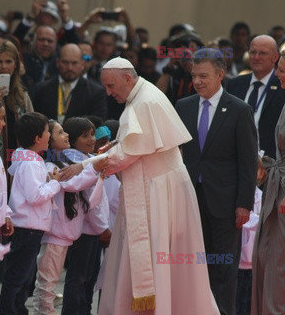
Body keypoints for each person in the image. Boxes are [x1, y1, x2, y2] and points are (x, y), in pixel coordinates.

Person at [92, 57, 219, 314]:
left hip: (160, 191)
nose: (108, 92)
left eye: (111, 85)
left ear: (128, 78)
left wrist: (86, 165)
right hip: (156, 186)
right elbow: (134, 145)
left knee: (162, 259)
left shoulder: (145, 102)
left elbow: (127, 154)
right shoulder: (142, 96)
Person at [176, 48, 257, 315]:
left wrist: (243, 204)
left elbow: (247, 163)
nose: (197, 81)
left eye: (203, 76)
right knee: (192, 264)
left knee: (222, 267)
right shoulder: (184, 106)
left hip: (225, 204)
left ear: (220, 75)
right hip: (189, 199)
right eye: (194, 76)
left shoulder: (239, 110)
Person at [32, 120, 105, 314]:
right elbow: (74, 183)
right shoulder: (50, 166)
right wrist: (96, 166)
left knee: (51, 281)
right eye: (60, 133)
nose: (66, 136)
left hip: (64, 234)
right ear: (49, 140)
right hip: (55, 233)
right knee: (46, 285)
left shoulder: (64, 163)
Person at [0, 112, 62, 315]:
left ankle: (17, 308)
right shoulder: (31, 163)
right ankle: (8, 310)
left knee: (23, 275)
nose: (49, 136)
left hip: (29, 227)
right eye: (46, 132)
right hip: (27, 227)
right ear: (37, 138)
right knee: (18, 275)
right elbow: (35, 196)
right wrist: (54, 184)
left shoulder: (30, 161)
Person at [251, 47, 285, 315]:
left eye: (283, 71)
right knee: (265, 259)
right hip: (275, 186)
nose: (278, 76)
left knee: (278, 267)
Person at [227, 35, 285, 158]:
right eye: (253, 52)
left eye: (262, 53)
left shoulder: (282, 85)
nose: (256, 57)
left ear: (275, 57)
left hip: (270, 164)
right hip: (235, 161)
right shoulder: (234, 84)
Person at [30, 43, 107, 123]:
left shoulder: (96, 93)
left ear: (82, 64)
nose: (70, 68)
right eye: (65, 62)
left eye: (74, 63)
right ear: (57, 62)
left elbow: (98, 124)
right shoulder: (40, 89)